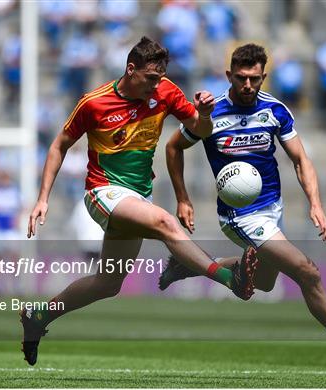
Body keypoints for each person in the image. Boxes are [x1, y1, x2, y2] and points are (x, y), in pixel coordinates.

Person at [21, 36, 258, 366]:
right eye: (150, 78)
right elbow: (59, 144)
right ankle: (228, 278)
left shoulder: (165, 92)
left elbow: (200, 131)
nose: (156, 84)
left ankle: (38, 317)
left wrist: (205, 113)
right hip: (102, 192)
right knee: (164, 223)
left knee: (108, 283)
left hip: (137, 195)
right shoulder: (94, 102)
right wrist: (42, 199)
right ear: (130, 69)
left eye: (160, 78)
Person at [160, 43, 326, 376]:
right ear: (229, 75)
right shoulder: (211, 113)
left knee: (263, 284)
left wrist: (316, 203)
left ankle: (187, 265)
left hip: (272, 210)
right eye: (241, 78)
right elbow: (172, 147)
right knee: (307, 272)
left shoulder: (275, 110)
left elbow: (301, 159)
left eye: (254, 78)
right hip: (239, 215)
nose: (248, 85)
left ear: (264, 76)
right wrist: (182, 197)